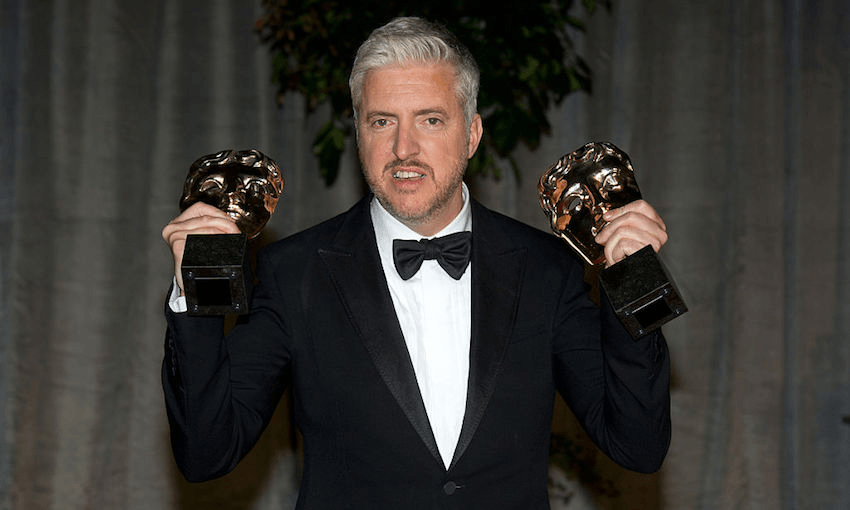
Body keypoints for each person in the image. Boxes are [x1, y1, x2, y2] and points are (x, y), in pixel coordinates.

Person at [161, 16, 671, 509]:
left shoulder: (547, 271)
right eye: (382, 121)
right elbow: (207, 454)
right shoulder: (294, 272)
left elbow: (639, 448)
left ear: (471, 135)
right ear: (359, 133)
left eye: (430, 120)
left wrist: (635, 276)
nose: (404, 148)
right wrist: (198, 284)